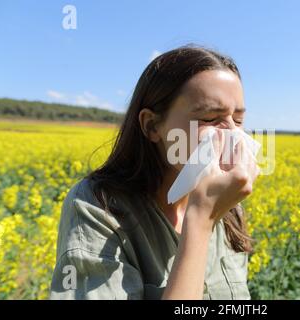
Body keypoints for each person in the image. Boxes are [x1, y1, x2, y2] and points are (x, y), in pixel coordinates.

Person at [49, 44, 260, 300]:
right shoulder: (96, 207)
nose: (231, 133)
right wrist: (201, 220)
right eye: (208, 118)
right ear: (151, 126)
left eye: (237, 120)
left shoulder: (230, 207)